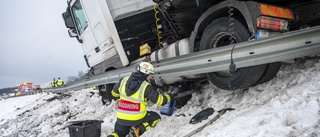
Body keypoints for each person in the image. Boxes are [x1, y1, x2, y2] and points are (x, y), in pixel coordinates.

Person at [107, 62, 176, 137]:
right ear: (146, 74)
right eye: (150, 74)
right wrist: (170, 96)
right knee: (156, 117)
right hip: (137, 118)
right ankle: (137, 130)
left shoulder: (124, 80)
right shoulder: (146, 86)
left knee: (118, 133)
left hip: (121, 118)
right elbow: (160, 101)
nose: (151, 76)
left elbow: (114, 94)